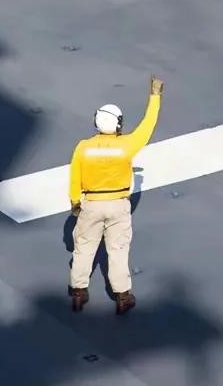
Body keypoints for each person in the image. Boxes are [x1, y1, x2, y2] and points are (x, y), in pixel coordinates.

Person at [67, 75, 163, 314]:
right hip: (118, 205)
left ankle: (78, 292)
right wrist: (155, 97)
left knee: (84, 248)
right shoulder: (126, 145)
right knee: (118, 250)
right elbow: (147, 126)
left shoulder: (83, 147)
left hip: (91, 204)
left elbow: (74, 178)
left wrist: (75, 202)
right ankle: (122, 296)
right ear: (118, 124)